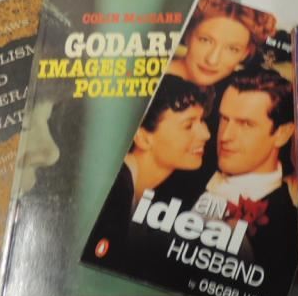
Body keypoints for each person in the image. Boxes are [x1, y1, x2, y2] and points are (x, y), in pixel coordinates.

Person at [86, 76, 209, 260]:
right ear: (142, 137)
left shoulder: (135, 192)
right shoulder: (116, 191)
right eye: (188, 125)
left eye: (202, 121)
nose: (206, 134)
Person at [191, 70, 297, 271]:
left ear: (282, 134)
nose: (225, 136)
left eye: (246, 124)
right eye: (224, 119)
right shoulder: (185, 173)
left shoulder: (287, 230)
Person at [166, 0, 276, 92]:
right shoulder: (161, 78)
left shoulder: (234, 92)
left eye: (232, 49)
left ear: (245, 53)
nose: (212, 60)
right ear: (188, 36)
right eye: (205, 40)